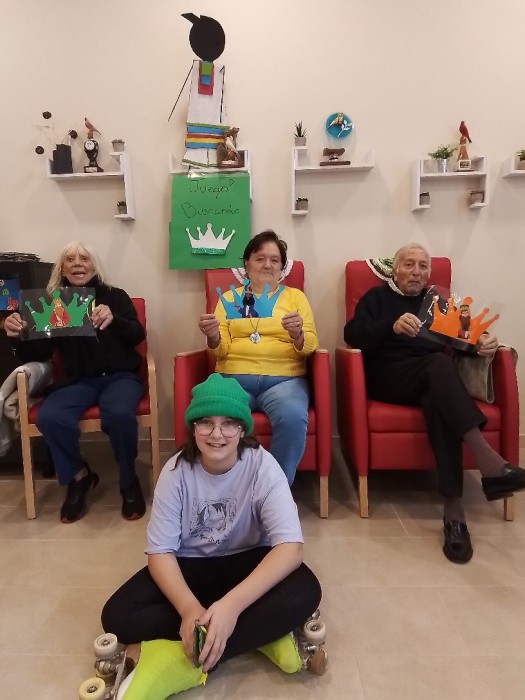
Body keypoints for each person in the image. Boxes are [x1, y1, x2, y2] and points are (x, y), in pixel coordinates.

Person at [100, 374, 323, 698]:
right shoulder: (175, 472)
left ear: (242, 429)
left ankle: (187, 662)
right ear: (193, 428)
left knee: (306, 590)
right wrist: (189, 609)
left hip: (247, 561)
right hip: (193, 566)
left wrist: (231, 606)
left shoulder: (263, 466)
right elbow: (160, 553)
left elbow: (291, 548)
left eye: (229, 423)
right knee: (117, 615)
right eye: (206, 422)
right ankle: (261, 635)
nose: (217, 434)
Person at [344, 242, 525, 564]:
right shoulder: (376, 298)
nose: (416, 272)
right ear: (395, 270)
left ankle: (454, 515)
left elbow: (466, 338)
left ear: (429, 273)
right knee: (438, 365)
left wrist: (483, 342)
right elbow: (353, 334)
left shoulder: (439, 302)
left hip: (432, 381)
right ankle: (488, 461)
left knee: (437, 400)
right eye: (409, 264)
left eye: (423, 266)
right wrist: (391, 325)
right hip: (388, 378)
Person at [4, 241, 146, 523]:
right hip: (78, 381)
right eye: (70, 259)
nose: (77, 263)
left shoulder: (115, 296)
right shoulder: (53, 303)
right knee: (50, 416)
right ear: (62, 269)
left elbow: (136, 335)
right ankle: (79, 476)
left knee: (119, 414)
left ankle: (129, 480)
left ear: (94, 266)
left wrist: (114, 319)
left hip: (120, 377)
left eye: (84, 258)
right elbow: (39, 353)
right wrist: (19, 336)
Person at [198, 230, 319, 484]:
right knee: (214, 411)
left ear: (281, 268)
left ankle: (275, 491)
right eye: (260, 258)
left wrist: (297, 334)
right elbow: (219, 350)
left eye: (275, 260)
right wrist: (213, 336)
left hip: (284, 380)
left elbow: (310, 345)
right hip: (234, 378)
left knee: (292, 416)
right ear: (247, 263)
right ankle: (223, 487)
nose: (267, 265)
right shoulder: (229, 298)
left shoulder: (295, 297)